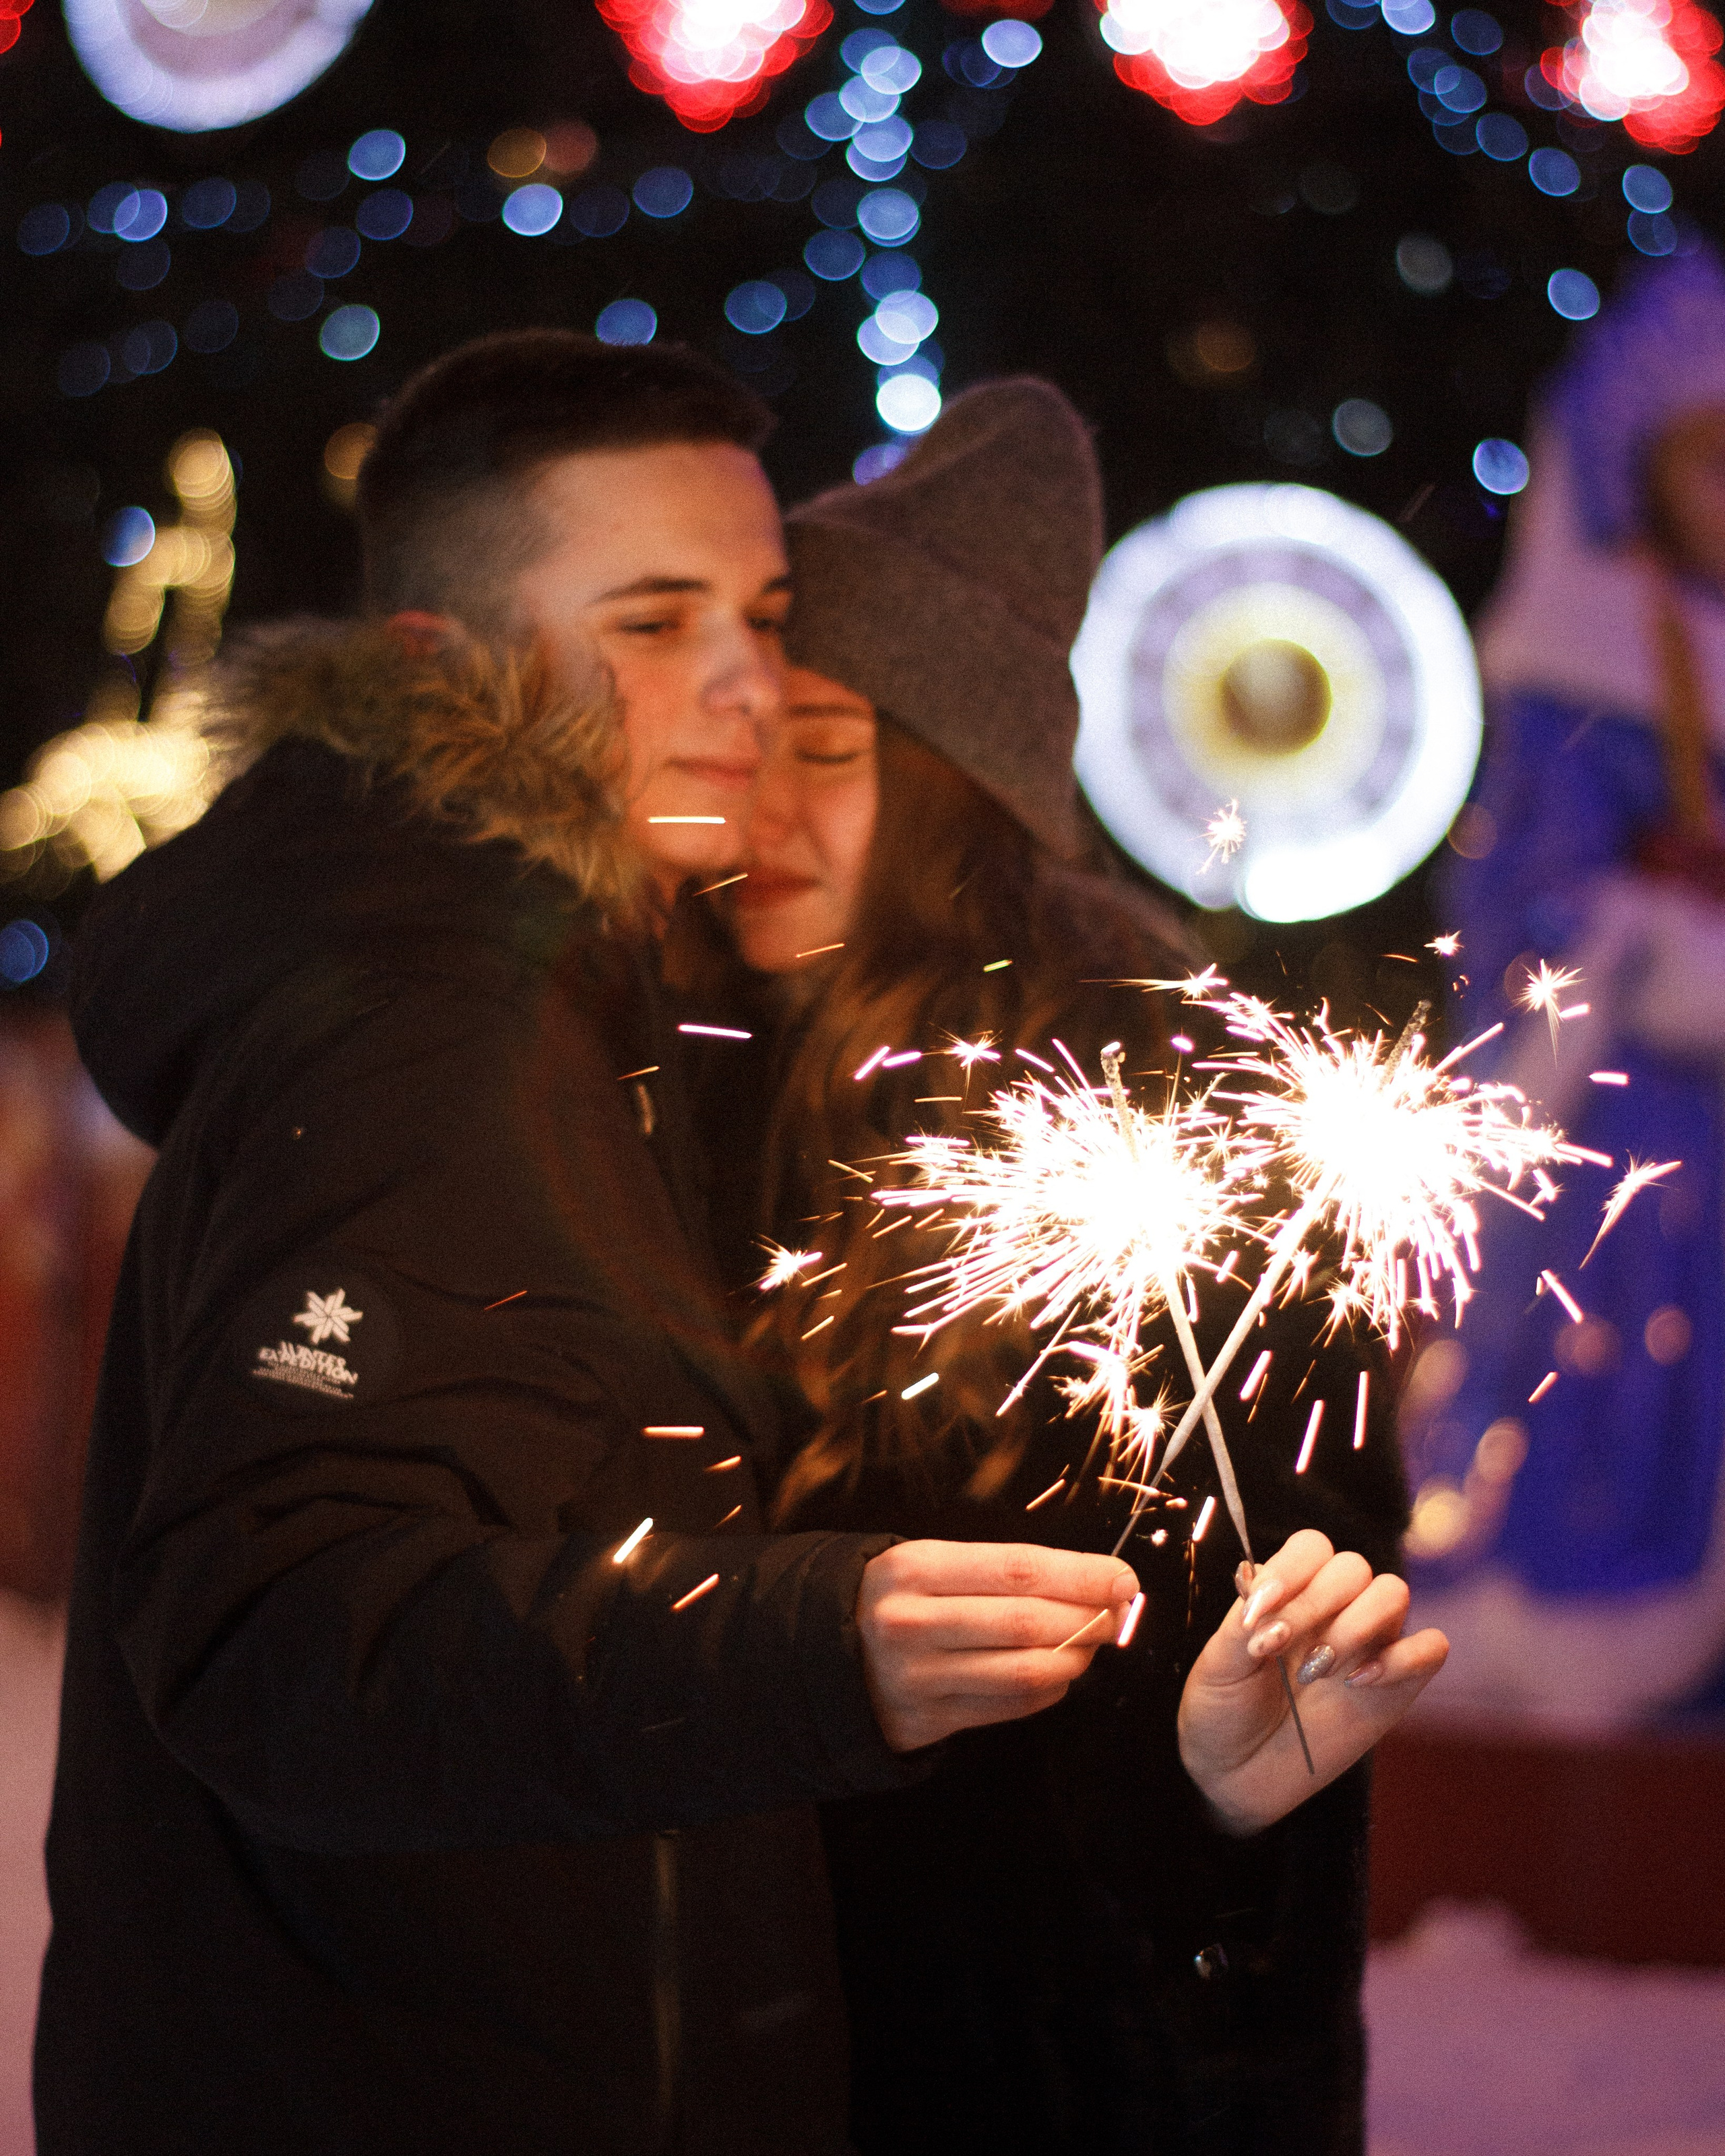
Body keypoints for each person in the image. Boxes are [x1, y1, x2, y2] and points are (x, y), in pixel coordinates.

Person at [37, 335, 1156, 2156]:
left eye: (764, 608)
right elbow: (278, 1634)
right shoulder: (431, 1017)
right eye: (651, 624)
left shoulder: (568, 986)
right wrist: (813, 1645)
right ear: (442, 666)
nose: (740, 682)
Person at [673, 379, 1446, 2153]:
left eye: (831, 750)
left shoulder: (1173, 1120)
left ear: (958, 786)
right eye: (744, 746)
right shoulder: (693, 1065)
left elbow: (1271, 1705)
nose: (758, 814)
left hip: (1050, 2063)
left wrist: (1220, 1814)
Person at [1414, 245, 1725, 1730]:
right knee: (1612, 1375)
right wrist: (1643, 947)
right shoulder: (1582, 680)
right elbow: (1519, 915)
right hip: (1631, 1130)